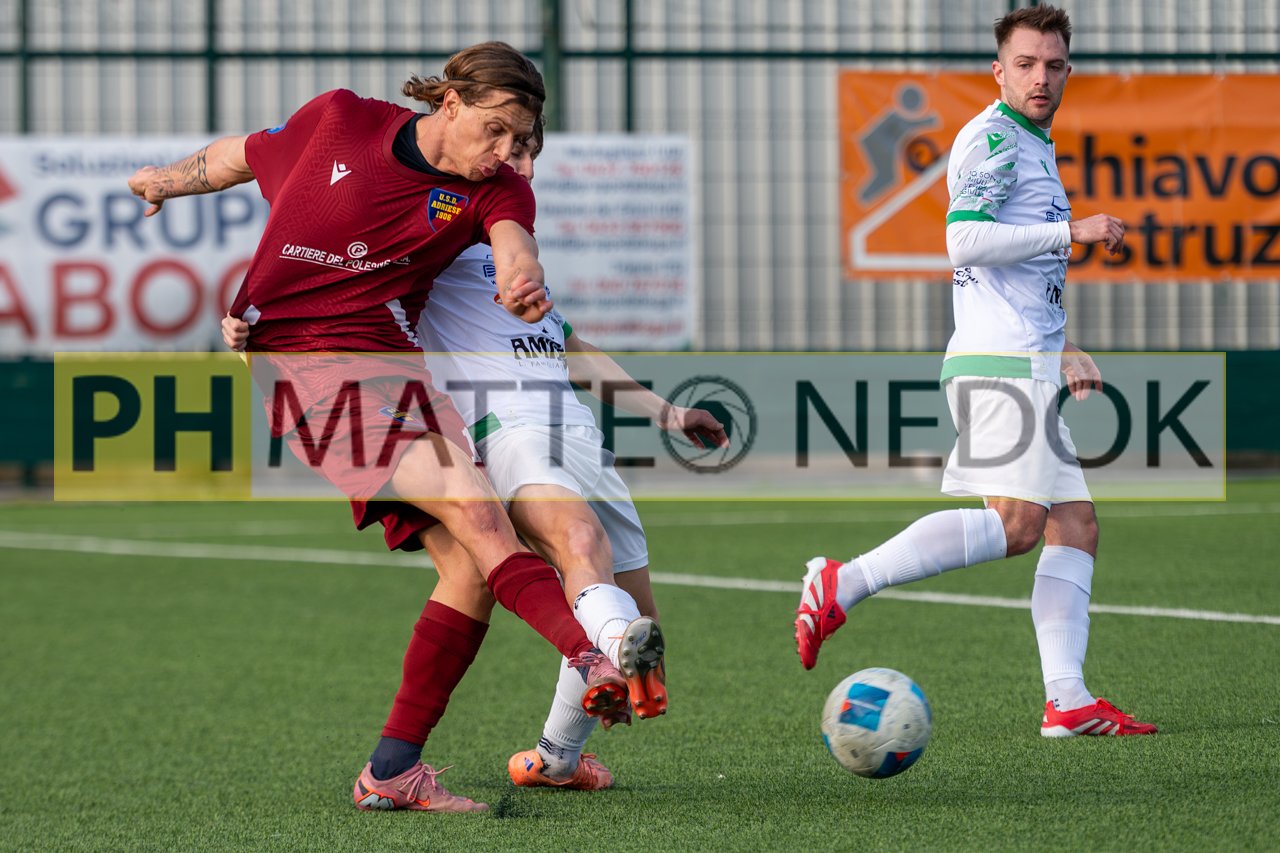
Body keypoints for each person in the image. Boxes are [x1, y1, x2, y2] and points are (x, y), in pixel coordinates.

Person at [129, 41, 632, 814]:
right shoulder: (339, 121)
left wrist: (521, 278)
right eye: (495, 129)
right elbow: (238, 157)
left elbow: (513, 246)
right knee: (481, 518)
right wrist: (161, 181)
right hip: (311, 368)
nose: (505, 153)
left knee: (469, 571)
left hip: (394, 373)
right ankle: (588, 657)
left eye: (520, 138)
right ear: (451, 104)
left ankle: (391, 770)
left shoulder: (493, 192)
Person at [221, 123, 728, 790]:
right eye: (511, 150)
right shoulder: (431, 237)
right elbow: (332, 265)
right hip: (507, 428)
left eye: (529, 155)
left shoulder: (503, 246)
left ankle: (556, 756)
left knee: (635, 616)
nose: (520, 167)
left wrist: (666, 413)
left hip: (574, 432)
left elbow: (569, 348)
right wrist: (259, 321)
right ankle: (596, 653)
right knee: (580, 547)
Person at [794, 5, 1157, 738]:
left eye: (1053, 65)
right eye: (1025, 64)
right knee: (1017, 524)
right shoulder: (995, 137)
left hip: (1026, 358)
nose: (1040, 77)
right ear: (999, 71)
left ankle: (1068, 699)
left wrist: (1062, 343)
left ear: (1068, 71)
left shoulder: (1031, 143)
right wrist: (1073, 229)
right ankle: (844, 580)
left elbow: (1014, 273)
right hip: (1000, 364)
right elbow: (964, 240)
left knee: (1075, 524)